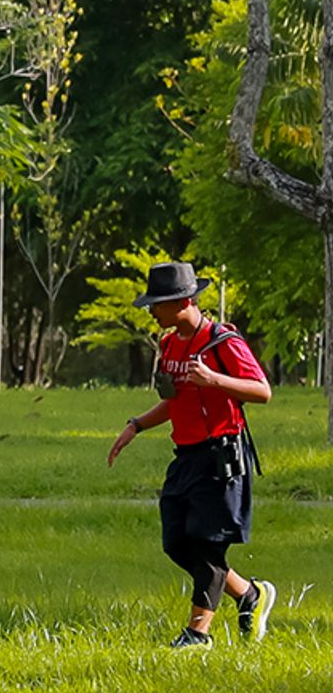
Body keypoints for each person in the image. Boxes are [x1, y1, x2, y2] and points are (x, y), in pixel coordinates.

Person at [107, 261, 278, 648]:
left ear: (183, 301)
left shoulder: (223, 342)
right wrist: (136, 426)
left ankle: (197, 635)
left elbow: (262, 391)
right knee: (177, 542)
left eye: (157, 303)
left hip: (220, 456)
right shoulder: (169, 345)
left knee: (206, 543)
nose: (151, 310)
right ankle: (251, 595)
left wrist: (215, 379)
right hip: (185, 456)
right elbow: (175, 400)